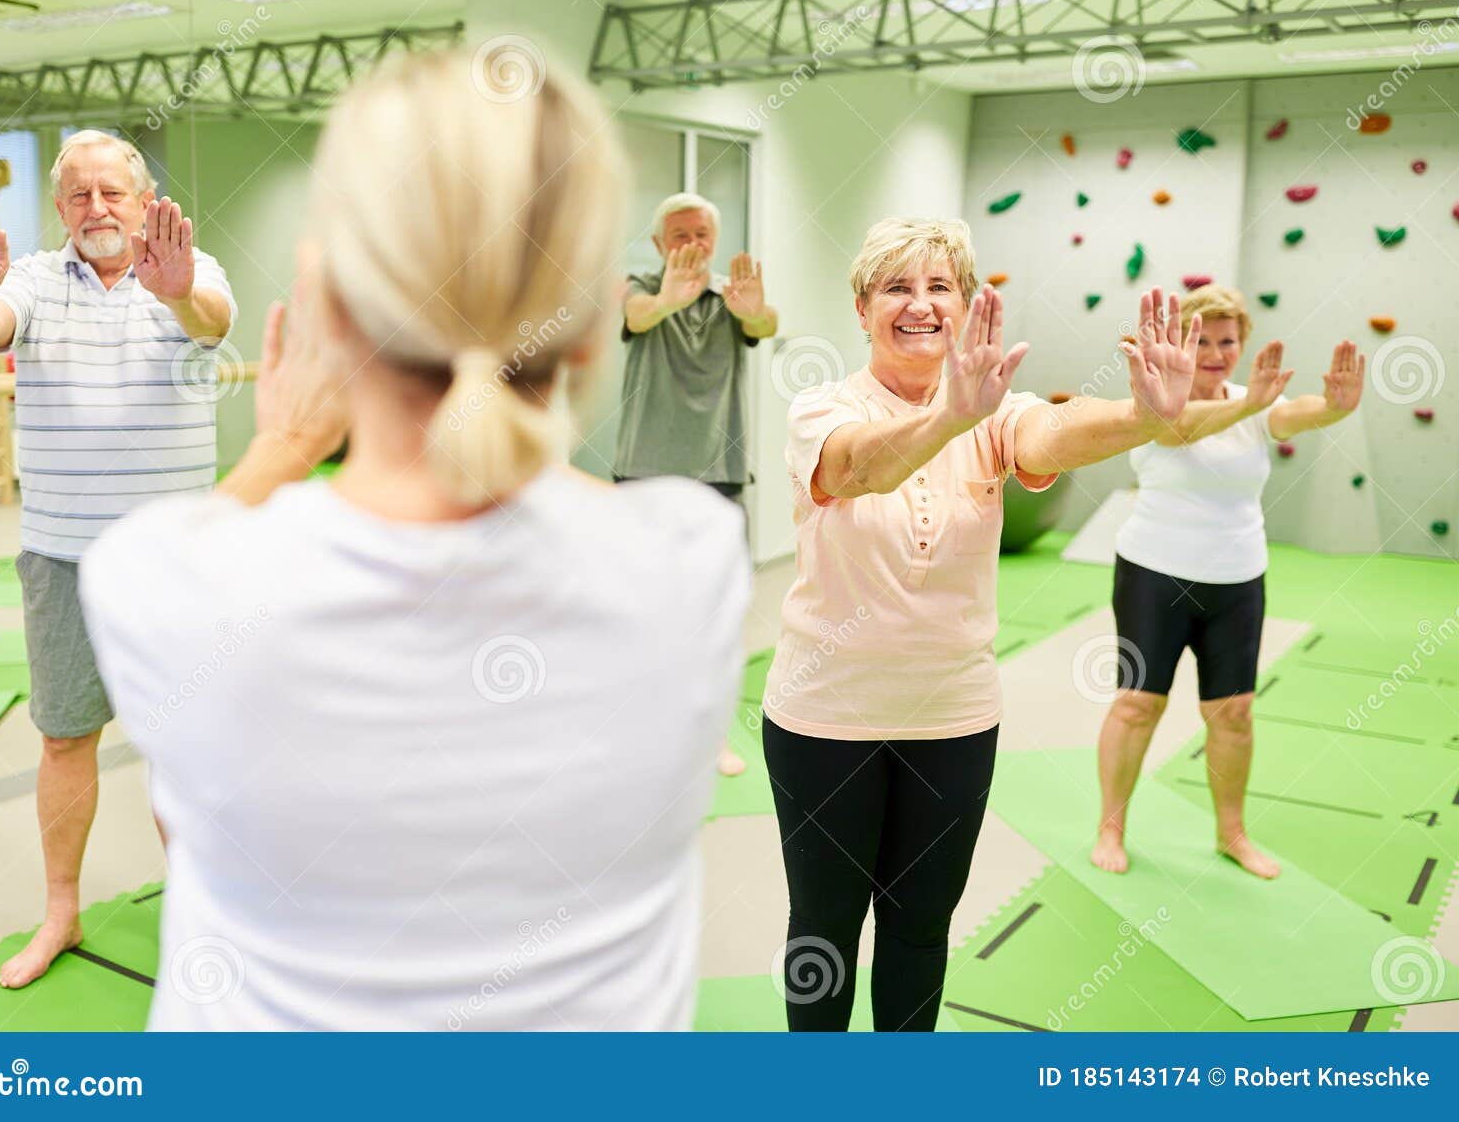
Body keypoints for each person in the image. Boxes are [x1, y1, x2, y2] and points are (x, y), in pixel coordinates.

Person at [78, 51, 751, 1030]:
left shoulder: (165, 581)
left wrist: (284, 443)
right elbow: (528, 464)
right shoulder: (691, 557)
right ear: (594, 329)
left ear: (323, 298)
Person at [757, 216, 1231, 1032]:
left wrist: (1147, 417)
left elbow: (1055, 431)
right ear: (863, 307)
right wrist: (946, 416)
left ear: (968, 304)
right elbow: (860, 465)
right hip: (824, 716)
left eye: (940, 286)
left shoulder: (997, 410)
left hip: (953, 717)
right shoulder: (822, 406)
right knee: (825, 929)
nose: (920, 304)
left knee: (920, 928)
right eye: (898, 287)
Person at [0, 129, 236, 989]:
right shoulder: (29, 276)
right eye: (79, 195)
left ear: (144, 200)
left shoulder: (190, 267)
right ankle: (60, 911)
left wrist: (178, 295)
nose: (97, 209)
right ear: (60, 206)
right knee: (66, 738)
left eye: (113, 192)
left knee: (182, 746)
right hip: (62, 555)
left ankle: (197, 914)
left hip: (174, 560)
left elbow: (209, 320)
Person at [1092, 284, 1365, 879]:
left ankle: (1231, 834)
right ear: (1185, 343)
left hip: (1236, 580)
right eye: (1205, 340)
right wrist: (1251, 405)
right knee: (1138, 703)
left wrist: (1336, 407)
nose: (1216, 353)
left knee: (1235, 711)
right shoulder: (1157, 402)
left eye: (1228, 341)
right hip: (1153, 575)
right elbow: (1176, 431)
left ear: (1241, 345)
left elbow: (1297, 413)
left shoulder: (1257, 400)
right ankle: (1111, 828)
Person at [617, 192, 776, 777]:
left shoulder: (733, 296)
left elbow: (765, 323)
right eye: (679, 235)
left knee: (716, 613)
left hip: (719, 470)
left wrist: (755, 312)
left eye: (701, 235)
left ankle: (711, 740)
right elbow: (636, 315)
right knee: (644, 609)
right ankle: (643, 736)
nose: (692, 245)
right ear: (660, 244)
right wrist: (666, 300)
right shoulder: (639, 283)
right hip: (646, 471)